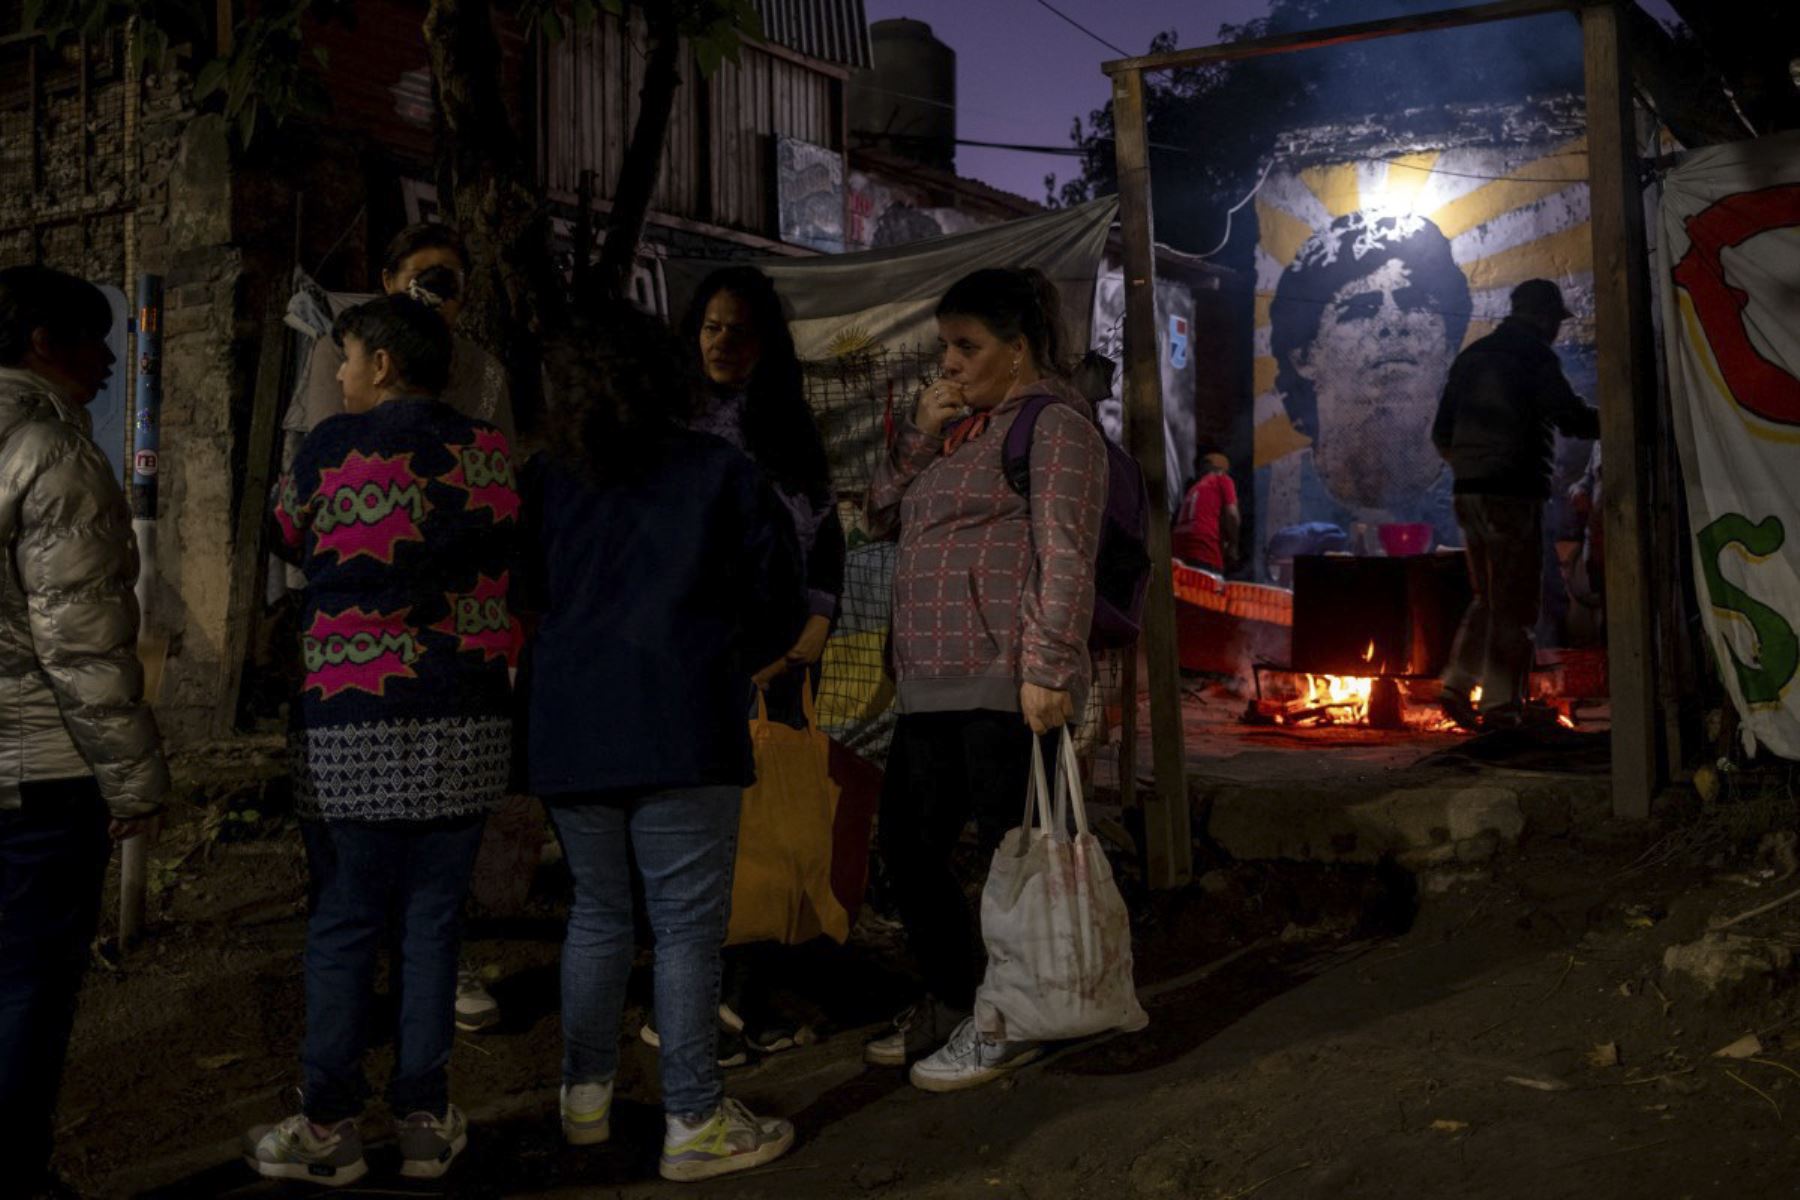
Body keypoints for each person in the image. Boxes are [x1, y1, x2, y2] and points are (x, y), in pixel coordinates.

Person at [517, 305, 804, 1182]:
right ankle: (693, 1119)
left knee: (598, 917)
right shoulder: (721, 472)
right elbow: (777, 600)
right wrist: (726, 662)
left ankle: (585, 1102)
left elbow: (526, 594)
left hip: (570, 726)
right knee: (685, 931)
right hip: (684, 719)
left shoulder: (544, 480)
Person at [246, 295, 520, 1185]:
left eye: (348, 357)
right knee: (433, 924)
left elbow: (284, 532)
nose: (338, 373)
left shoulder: (330, 448)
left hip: (352, 717)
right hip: (466, 715)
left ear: (386, 367)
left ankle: (328, 1128)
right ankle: (423, 1120)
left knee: (345, 922)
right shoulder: (488, 449)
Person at [863, 267, 1106, 1092]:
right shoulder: (957, 431)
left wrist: (1044, 671)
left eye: (967, 347)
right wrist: (920, 440)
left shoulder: (1055, 428)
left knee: (1020, 865)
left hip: (1006, 681)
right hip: (932, 679)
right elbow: (880, 514)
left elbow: (1069, 555)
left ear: (1020, 348)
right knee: (908, 847)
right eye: (945, 348)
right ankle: (963, 999)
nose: (950, 365)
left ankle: (1015, 1018)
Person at [289, 223, 514, 1033]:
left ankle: (330, 1109)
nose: (433, 295)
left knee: (354, 910)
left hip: (360, 699)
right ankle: (422, 1105)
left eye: (448, 282)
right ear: (386, 281)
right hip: (456, 693)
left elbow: (299, 520)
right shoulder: (338, 367)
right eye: (422, 279)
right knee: (422, 911)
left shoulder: (475, 380)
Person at [645, 265, 845, 1058]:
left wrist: (814, 627)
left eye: (742, 330)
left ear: (769, 345)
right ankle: (680, 1006)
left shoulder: (789, 428)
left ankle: (742, 1002)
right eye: (712, 327)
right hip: (702, 661)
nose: (724, 343)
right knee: (701, 833)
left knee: (780, 825)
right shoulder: (665, 426)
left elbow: (826, 534)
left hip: (790, 660)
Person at [0, 265, 168, 1197]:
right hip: (37, 772)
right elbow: (85, 650)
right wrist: (135, 787)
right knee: (27, 983)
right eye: (91, 339)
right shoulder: (51, 454)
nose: (111, 360)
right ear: (40, 344)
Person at [1431, 278, 1599, 728]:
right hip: (1513, 493)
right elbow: (1570, 417)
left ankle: (1457, 685)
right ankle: (1502, 706)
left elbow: (1440, 434)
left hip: (1469, 493)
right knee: (1516, 603)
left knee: (1488, 598)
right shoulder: (1534, 356)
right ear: (1544, 318)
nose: (1557, 332)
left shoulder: (1472, 356)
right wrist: (1619, 418)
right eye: (1556, 323)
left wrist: (1472, 465)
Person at [1265, 211, 1473, 550]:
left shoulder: (1481, 493)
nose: (1392, 322)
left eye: (1414, 303)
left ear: (1450, 346)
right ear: (1304, 356)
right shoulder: (1269, 493)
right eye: (1360, 309)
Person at [1173, 451, 1241, 573]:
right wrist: (1233, 546)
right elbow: (1232, 514)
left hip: (1178, 552)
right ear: (1223, 470)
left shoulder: (1193, 489)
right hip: (1204, 551)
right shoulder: (1222, 480)